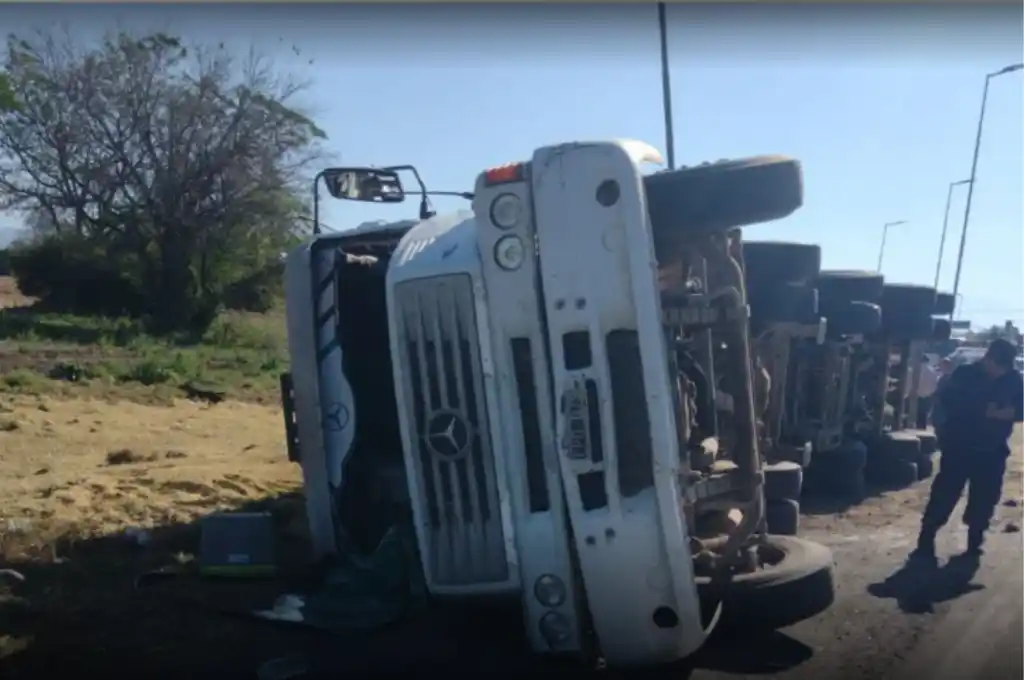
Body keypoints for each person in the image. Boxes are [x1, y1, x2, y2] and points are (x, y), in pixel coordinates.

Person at [911, 338, 1024, 563]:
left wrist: (1006, 414)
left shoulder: (1013, 379)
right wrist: (983, 410)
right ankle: (926, 538)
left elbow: (1021, 409)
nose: (999, 373)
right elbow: (947, 402)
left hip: (992, 449)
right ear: (988, 359)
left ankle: (975, 541)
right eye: (996, 367)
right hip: (959, 446)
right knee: (945, 493)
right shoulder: (965, 375)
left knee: (986, 497)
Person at [915, 355, 940, 429]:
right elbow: (935, 383)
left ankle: (916, 425)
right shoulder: (932, 371)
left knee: (916, 411)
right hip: (928, 395)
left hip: (917, 394)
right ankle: (922, 426)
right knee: (924, 412)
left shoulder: (915, 369)